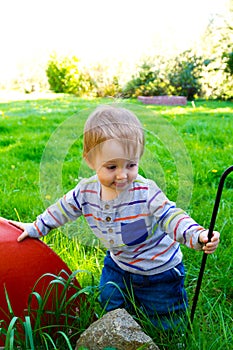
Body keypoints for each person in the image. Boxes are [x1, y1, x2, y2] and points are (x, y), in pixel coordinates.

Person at [7, 105, 220, 329]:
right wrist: (36, 227)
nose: (122, 175)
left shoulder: (146, 192)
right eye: (111, 166)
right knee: (110, 306)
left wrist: (197, 235)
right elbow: (62, 209)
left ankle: (170, 337)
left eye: (131, 165)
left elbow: (171, 216)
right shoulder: (85, 192)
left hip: (159, 270)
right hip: (117, 264)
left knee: (165, 319)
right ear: (90, 160)